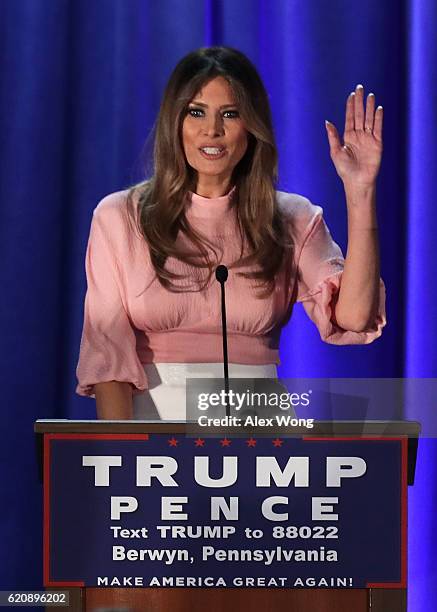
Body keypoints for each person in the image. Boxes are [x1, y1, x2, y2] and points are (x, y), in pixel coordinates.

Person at [76, 46, 386, 420]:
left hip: (259, 429)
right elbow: (108, 357)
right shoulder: (118, 217)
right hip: (154, 433)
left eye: (230, 114)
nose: (212, 131)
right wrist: (122, 460)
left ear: (251, 126)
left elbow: (353, 317)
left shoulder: (292, 218)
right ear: (174, 122)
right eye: (196, 113)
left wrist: (360, 191)